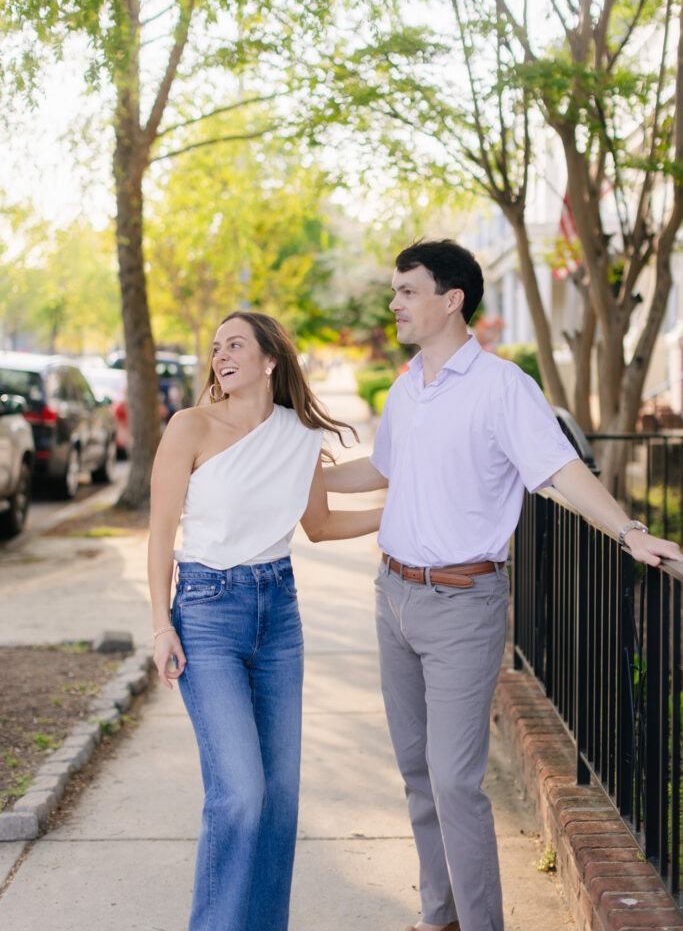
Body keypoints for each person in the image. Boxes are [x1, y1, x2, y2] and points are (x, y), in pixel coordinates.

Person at [323, 240, 683, 931]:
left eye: (405, 291)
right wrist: (302, 478)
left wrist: (628, 531)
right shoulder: (406, 386)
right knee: (416, 774)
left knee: (454, 780)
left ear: (450, 299)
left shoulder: (502, 387)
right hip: (392, 596)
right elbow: (383, 467)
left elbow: (558, 470)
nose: (393, 304)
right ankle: (441, 915)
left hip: (462, 603)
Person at [148, 310, 382, 931]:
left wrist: (397, 510)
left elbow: (321, 524)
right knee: (240, 794)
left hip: (279, 611)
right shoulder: (189, 427)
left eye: (235, 344)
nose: (221, 354)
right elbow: (161, 533)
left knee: (279, 802)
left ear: (270, 359)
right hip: (204, 612)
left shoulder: (297, 435)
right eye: (216, 345)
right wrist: (159, 624)